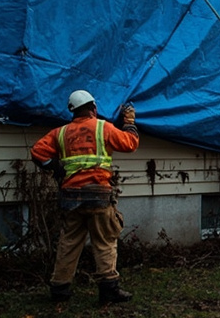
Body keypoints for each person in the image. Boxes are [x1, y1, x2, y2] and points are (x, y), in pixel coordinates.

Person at [31, 90, 140, 306]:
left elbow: (37, 152)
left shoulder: (60, 133)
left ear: (72, 111)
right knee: (104, 242)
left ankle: (60, 290)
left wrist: (56, 168)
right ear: (93, 108)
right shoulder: (102, 127)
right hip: (98, 195)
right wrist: (129, 121)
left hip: (70, 197)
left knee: (69, 243)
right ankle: (109, 290)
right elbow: (130, 143)